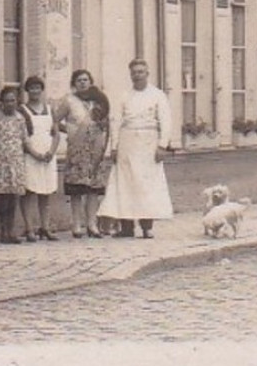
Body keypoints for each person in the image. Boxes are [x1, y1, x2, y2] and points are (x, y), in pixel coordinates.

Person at [97, 59, 176, 238]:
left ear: (147, 74)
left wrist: (162, 145)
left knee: (146, 185)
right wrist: (114, 147)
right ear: (130, 74)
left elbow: (166, 121)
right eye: (134, 72)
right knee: (125, 185)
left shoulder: (158, 95)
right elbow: (115, 121)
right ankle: (127, 227)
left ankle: (147, 227)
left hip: (149, 144)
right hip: (127, 143)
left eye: (141, 72)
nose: (137, 75)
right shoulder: (124, 95)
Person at [55, 68, 111, 238]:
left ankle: (92, 224)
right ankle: (77, 225)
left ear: (90, 82)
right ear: (74, 84)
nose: (83, 83)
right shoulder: (69, 101)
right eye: (79, 80)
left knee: (93, 189)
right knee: (77, 189)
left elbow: (107, 123)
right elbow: (55, 121)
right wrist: (70, 132)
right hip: (77, 151)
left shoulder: (99, 100)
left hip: (95, 151)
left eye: (86, 79)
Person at [19, 75, 62, 240]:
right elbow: (23, 138)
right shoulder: (22, 110)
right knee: (30, 191)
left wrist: (52, 151)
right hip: (31, 154)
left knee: (46, 192)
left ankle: (45, 227)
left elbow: (56, 134)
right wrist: (35, 154)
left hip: (48, 155)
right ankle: (29, 228)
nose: (35, 91)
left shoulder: (50, 109)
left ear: (42, 90)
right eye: (32, 88)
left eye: (38, 87)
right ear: (27, 90)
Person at [0, 83, 29, 243]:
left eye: (13, 100)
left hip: (16, 161)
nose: (10, 104)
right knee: (2, 197)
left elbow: (24, 139)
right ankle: (3, 230)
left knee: (13, 197)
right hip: (1, 162)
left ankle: (11, 230)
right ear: (1, 102)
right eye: (7, 101)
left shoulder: (20, 118)